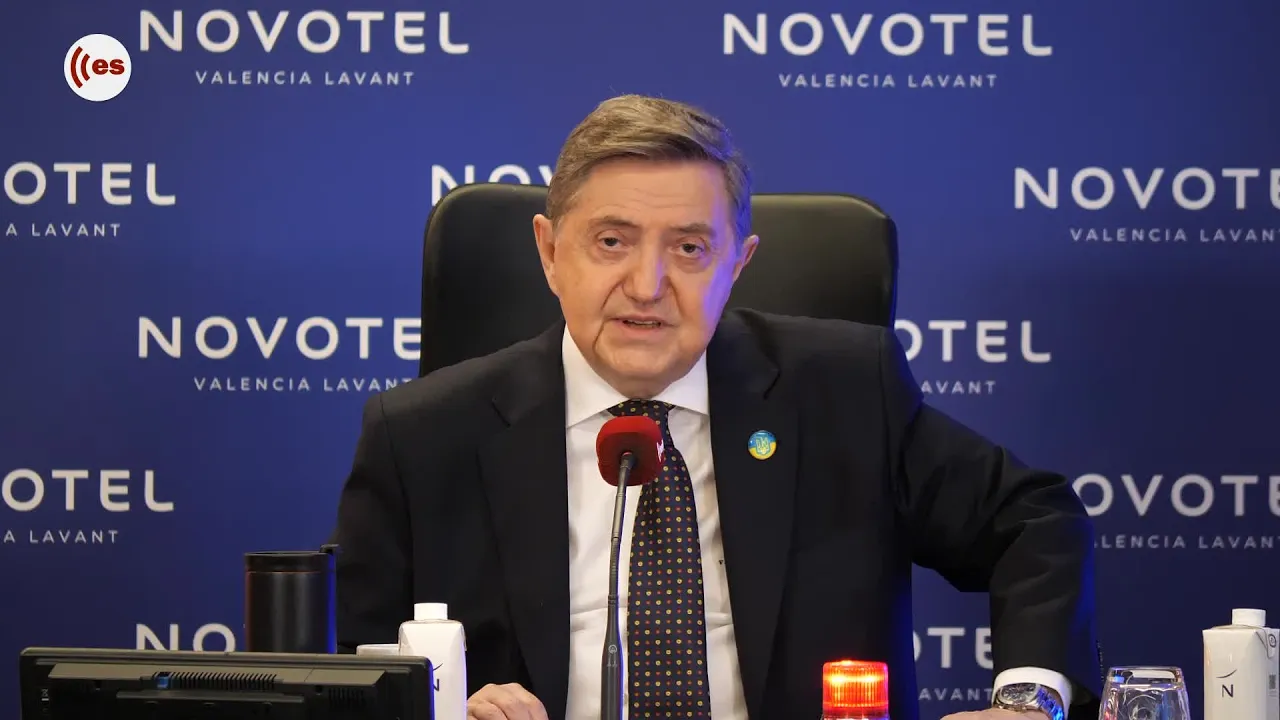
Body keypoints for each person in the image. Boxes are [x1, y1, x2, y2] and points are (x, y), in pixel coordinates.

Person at [330, 94, 1101, 720]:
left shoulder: (842, 393)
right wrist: (441, 711)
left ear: (739, 262)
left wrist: (1030, 701)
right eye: (611, 242)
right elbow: (349, 682)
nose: (647, 285)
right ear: (549, 252)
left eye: (690, 248)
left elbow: (1034, 522)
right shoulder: (422, 439)